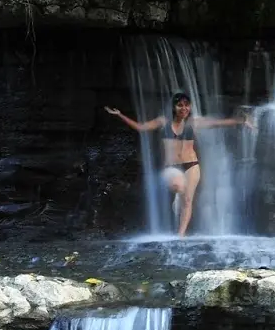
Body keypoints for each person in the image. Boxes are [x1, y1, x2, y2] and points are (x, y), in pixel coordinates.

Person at [104, 93, 251, 237]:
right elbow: (141, 127)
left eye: (187, 105)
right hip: (172, 167)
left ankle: (180, 235)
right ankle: (176, 200)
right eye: (180, 105)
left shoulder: (193, 122)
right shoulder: (163, 121)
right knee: (177, 186)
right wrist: (120, 115)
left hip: (192, 165)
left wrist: (241, 121)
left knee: (188, 200)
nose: (184, 108)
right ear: (174, 107)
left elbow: (218, 123)